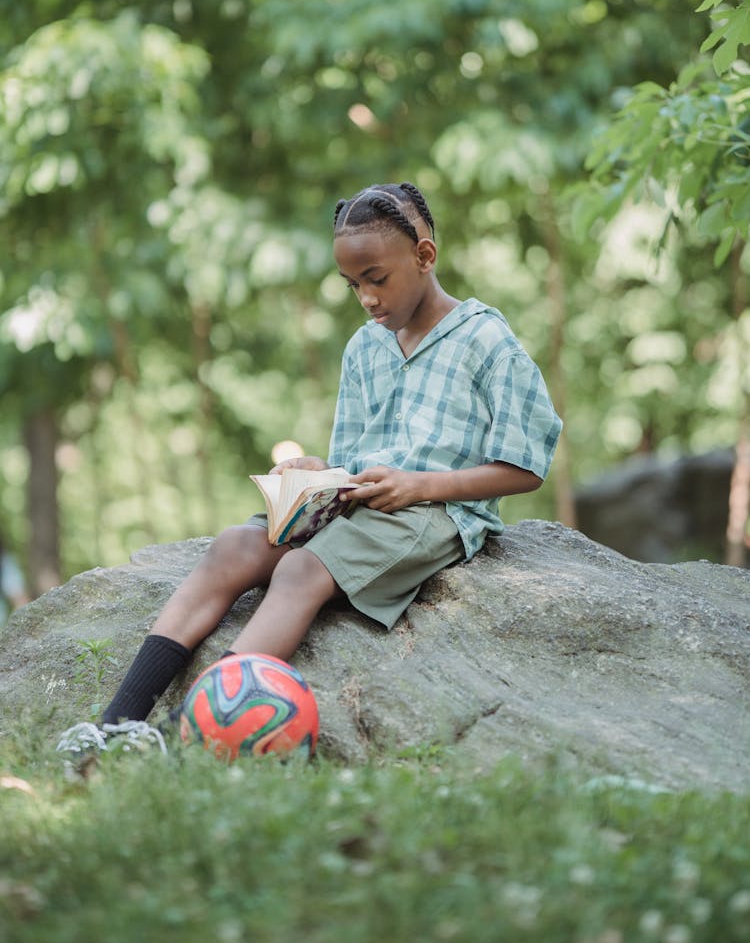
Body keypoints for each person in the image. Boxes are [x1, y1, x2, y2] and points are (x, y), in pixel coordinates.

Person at [57, 180, 562, 757]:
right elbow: (351, 457)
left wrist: (421, 484)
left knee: (301, 571)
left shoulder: (485, 339)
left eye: (377, 279)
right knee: (232, 547)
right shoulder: (364, 346)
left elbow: (525, 467)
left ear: (424, 257)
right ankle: (114, 727)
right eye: (353, 286)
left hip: (434, 511)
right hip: (358, 501)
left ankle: (189, 735)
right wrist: (320, 471)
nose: (367, 299)